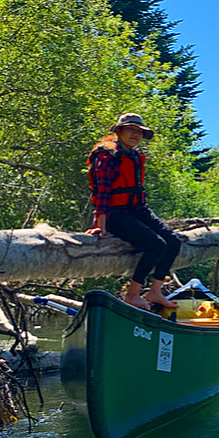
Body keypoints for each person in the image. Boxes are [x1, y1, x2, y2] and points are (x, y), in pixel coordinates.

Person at [85, 113, 182, 310]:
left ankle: (155, 291)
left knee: (173, 242)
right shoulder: (107, 155)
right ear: (119, 131)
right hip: (115, 214)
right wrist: (99, 225)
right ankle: (132, 294)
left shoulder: (134, 156)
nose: (135, 135)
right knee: (156, 245)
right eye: (130, 130)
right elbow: (103, 192)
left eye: (139, 132)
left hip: (137, 209)